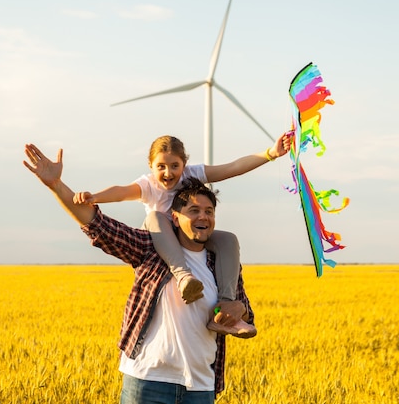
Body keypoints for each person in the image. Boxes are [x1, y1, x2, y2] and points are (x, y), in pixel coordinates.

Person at [23, 143, 254, 403]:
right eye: (194, 211)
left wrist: (238, 309)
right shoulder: (150, 248)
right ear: (175, 218)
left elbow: (245, 311)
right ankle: (183, 276)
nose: (203, 217)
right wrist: (57, 186)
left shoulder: (219, 260)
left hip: (201, 386)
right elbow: (97, 223)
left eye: (209, 211)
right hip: (148, 382)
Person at [73, 134, 290, 337]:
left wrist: (270, 153)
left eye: (174, 166)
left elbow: (231, 168)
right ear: (151, 166)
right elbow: (121, 192)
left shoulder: (192, 175)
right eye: (161, 167)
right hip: (160, 237)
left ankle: (225, 309)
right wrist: (95, 197)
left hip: (188, 233)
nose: (168, 173)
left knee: (228, 239)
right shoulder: (148, 184)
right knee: (156, 216)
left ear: (184, 164)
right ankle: (184, 277)